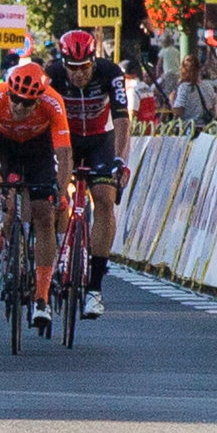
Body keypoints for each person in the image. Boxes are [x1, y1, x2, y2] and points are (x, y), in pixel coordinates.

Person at [0, 62, 73, 330]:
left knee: (44, 215)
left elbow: (64, 153)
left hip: (38, 148)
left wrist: (60, 191)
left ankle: (42, 298)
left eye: (26, 103)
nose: (18, 106)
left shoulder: (53, 102)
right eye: (14, 98)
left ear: (38, 100)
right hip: (2, 145)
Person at [46, 30, 130, 318]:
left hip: (99, 141)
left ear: (94, 61)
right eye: (73, 68)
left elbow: (121, 119)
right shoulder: (53, 74)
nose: (78, 75)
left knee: (105, 200)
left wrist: (120, 159)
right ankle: (55, 254)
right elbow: (42, 116)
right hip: (64, 141)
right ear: (63, 63)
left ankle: (94, 288)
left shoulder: (110, 72)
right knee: (52, 198)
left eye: (84, 68)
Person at [171, 55, 217, 126]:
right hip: (206, 127)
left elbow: (178, 112)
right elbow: (213, 107)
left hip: (189, 128)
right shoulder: (207, 85)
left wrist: (171, 100)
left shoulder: (184, 87)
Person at [121, 60, 157, 126]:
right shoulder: (146, 87)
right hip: (150, 130)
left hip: (139, 133)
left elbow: (132, 116)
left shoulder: (132, 89)